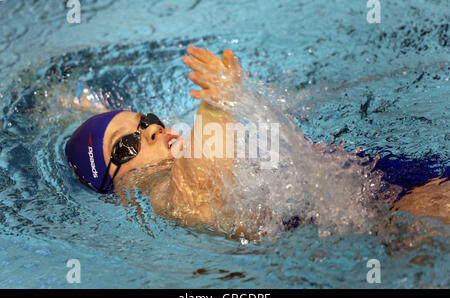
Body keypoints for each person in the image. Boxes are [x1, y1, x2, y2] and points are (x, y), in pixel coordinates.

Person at [65, 46, 449, 240]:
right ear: (114, 184)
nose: (150, 129)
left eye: (146, 120)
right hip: (373, 215)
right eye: (124, 146)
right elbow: (200, 190)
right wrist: (216, 105)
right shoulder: (153, 193)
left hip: (376, 175)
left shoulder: (177, 151)